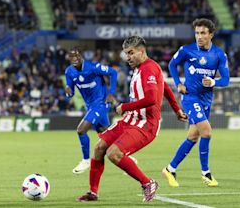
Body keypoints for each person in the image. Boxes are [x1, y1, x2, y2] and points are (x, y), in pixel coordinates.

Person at [77, 36, 188, 202]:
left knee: (114, 153)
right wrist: (177, 109)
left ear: (142, 52)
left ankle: (148, 183)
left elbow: (151, 98)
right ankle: (93, 192)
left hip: (145, 125)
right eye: (126, 54)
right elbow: (164, 87)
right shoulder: (141, 67)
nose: (127, 57)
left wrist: (125, 107)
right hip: (131, 120)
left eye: (131, 53)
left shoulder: (149, 68)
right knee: (100, 148)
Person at [162, 18, 230, 188]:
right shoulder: (186, 50)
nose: (199, 37)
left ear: (211, 35)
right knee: (206, 132)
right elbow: (172, 64)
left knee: (193, 137)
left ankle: (170, 169)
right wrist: (178, 83)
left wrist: (214, 82)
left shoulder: (219, 55)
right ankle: (206, 173)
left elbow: (226, 80)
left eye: (203, 33)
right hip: (190, 98)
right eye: (197, 33)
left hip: (206, 100)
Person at [65, 48, 117, 174]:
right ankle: (126, 156)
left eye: (77, 56)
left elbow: (113, 72)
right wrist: (68, 92)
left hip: (100, 103)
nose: (75, 58)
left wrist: (112, 93)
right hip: (90, 106)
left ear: (81, 56)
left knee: (81, 130)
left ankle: (85, 160)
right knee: (105, 134)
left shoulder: (93, 67)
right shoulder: (69, 72)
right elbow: (70, 92)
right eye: (72, 57)